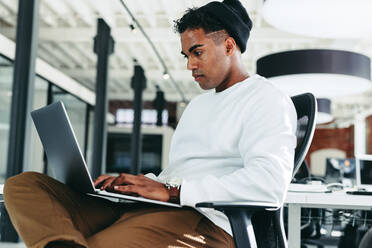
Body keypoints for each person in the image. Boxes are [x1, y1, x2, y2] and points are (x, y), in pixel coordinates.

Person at [3, 0, 297, 247]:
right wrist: (136, 183)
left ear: (229, 46)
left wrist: (173, 192)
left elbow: (268, 185)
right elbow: (180, 172)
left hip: (205, 222)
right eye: (186, 55)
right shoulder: (198, 106)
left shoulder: (266, 99)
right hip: (154, 208)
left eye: (197, 52)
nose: (189, 65)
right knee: (23, 185)